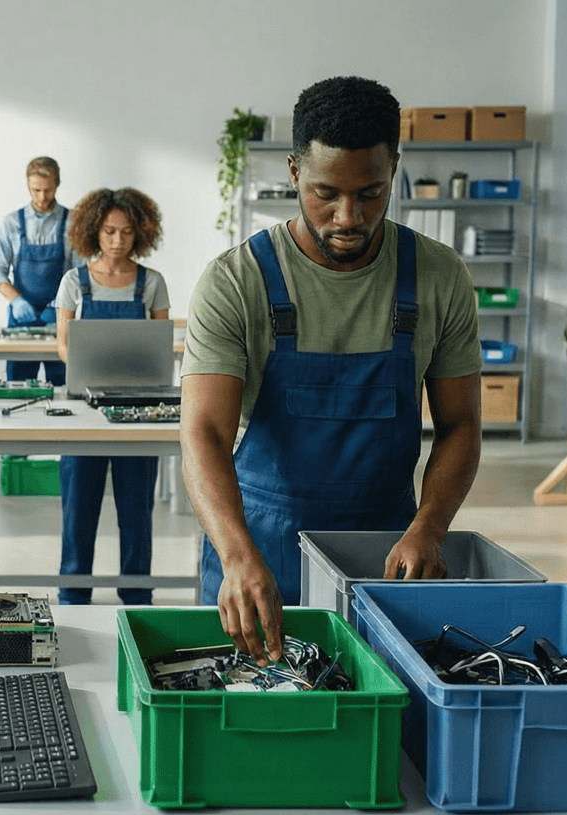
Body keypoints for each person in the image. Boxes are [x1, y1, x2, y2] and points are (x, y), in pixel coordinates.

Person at [181, 76, 483, 660]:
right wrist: (237, 556)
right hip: (259, 546)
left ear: (394, 167)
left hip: (386, 555)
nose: (348, 216)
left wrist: (430, 527)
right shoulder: (235, 282)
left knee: (378, 720)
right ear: (294, 171)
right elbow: (203, 432)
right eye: (326, 193)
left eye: (370, 193)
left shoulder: (439, 277)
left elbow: (460, 425)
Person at [53, 187, 169, 605]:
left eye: (125, 232)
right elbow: (63, 344)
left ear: (140, 233)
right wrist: (86, 376)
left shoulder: (151, 283)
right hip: (84, 410)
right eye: (109, 232)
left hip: (139, 412)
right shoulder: (74, 282)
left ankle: (137, 596)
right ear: (93, 232)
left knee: (136, 513)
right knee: (78, 511)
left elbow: (162, 344)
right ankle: (72, 594)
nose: (117, 241)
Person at [0, 156, 81, 385]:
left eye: (48, 190)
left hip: (59, 316)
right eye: (36, 190)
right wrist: (16, 301)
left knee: (63, 386)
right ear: (27, 185)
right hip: (21, 319)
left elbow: (81, 272)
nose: (42, 197)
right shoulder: (12, 223)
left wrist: (63, 303)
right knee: (18, 387)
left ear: (57, 184)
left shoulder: (73, 223)